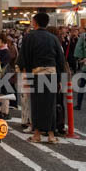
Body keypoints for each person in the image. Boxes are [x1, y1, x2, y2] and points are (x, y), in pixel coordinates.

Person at [17, 13, 66, 143]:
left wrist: (26, 75)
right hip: (52, 74)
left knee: (37, 104)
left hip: (36, 74)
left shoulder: (29, 37)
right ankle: (51, 135)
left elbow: (24, 58)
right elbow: (61, 60)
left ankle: (37, 134)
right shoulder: (53, 38)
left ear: (35, 22)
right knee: (50, 104)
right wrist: (60, 79)